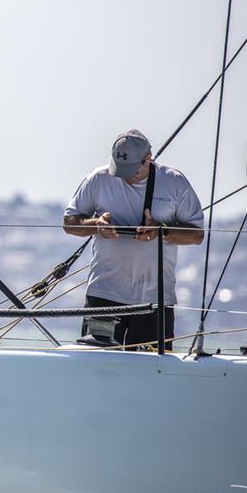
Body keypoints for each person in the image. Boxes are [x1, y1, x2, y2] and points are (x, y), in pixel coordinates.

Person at [63, 129, 204, 348]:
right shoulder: (98, 178)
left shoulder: (174, 182)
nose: (124, 177)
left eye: (131, 171)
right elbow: (69, 223)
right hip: (104, 294)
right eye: (119, 170)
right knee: (96, 371)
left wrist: (161, 230)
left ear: (148, 159)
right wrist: (96, 225)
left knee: (151, 376)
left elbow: (196, 235)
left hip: (155, 300)